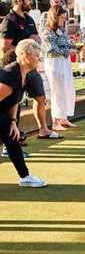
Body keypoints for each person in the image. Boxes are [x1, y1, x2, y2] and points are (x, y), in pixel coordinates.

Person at [0, 0, 61, 144]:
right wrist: (26, 51)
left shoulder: (28, 19)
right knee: (14, 103)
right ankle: (12, 139)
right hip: (16, 67)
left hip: (31, 67)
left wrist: (33, 49)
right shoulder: (9, 20)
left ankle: (43, 130)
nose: (30, 2)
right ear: (19, 1)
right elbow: (5, 47)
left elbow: (36, 39)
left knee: (41, 97)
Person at [0, 39, 47, 187]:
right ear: (24, 55)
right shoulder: (11, 74)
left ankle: (25, 177)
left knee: (12, 141)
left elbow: (14, 100)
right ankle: (25, 176)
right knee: (11, 141)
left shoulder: (24, 74)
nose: (39, 58)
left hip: (3, 114)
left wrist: (12, 121)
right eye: (36, 55)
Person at [42, 5, 77, 131]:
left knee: (67, 88)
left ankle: (63, 118)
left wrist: (74, 46)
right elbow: (52, 49)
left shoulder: (61, 30)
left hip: (64, 62)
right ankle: (55, 121)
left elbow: (66, 43)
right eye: (62, 18)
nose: (63, 20)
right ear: (55, 17)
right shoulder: (46, 31)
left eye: (64, 18)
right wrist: (69, 51)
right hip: (54, 63)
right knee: (57, 91)